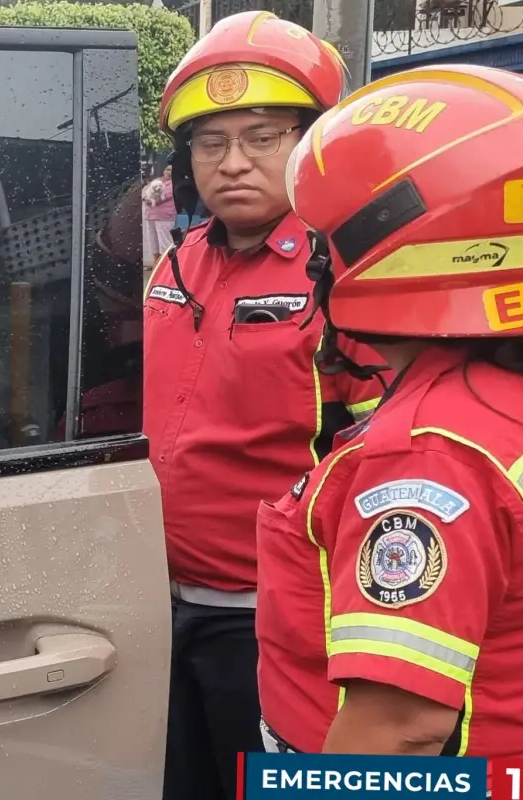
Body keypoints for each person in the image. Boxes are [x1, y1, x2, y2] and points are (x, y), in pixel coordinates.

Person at [254, 64, 523, 774]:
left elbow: (400, 728)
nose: (316, 262)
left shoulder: (427, 451)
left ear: (392, 247)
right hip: (522, 762)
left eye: (326, 241)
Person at [143, 12, 386, 799]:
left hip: (277, 623)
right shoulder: (176, 264)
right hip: (152, 603)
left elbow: (386, 455)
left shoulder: (347, 279)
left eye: (262, 137)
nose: (232, 162)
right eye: (210, 143)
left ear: (312, 145)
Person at [142, 164, 174, 268]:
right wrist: (145, 198)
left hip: (164, 217)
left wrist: (149, 200)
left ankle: (166, 267)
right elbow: (145, 191)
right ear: (164, 170)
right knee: (153, 242)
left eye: (171, 170)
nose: (168, 172)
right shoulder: (157, 180)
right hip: (150, 215)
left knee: (165, 243)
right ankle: (156, 265)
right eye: (167, 169)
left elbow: (162, 198)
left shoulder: (173, 184)